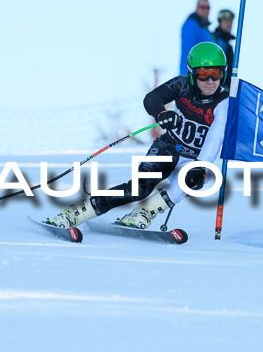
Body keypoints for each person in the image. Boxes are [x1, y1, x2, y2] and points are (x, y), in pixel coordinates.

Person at [45, 42, 230, 230]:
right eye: (203, 74)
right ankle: (77, 213)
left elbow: (216, 137)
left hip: (191, 158)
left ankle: (144, 212)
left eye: (216, 74)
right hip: (168, 148)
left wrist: (201, 165)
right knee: (139, 189)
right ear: (192, 74)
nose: (210, 81)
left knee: (194, 180)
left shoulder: (223, 102)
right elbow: (152, 99)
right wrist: (162, 114)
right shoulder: (182, 85)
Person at [180, 0, 213, 75]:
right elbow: (189, 49)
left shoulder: (204, 27)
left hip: (204, 71)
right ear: (197, 8)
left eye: (207, 8)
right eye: (202, 7)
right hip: (193, 72)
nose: (205, 10)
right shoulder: (191, 24)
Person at [213, 9, 235, 88]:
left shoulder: (227, 43)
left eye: (230, 21)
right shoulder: (214, 40)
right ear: (219, 22)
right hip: (218, 86)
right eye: (225, 21)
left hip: (227, 86)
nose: (228, 24)